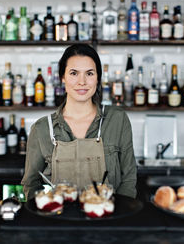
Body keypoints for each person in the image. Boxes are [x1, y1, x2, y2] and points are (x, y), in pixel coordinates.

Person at [21, 44, 137, 200]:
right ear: (63, 77)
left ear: (98, 78)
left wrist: (119, 215)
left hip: (108, 219)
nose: (82, 82)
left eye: (89, 73)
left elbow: (129, 179)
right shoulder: (42, 128)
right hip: (60, 220)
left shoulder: (117, 120)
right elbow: (31, 184)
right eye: (74, 73)